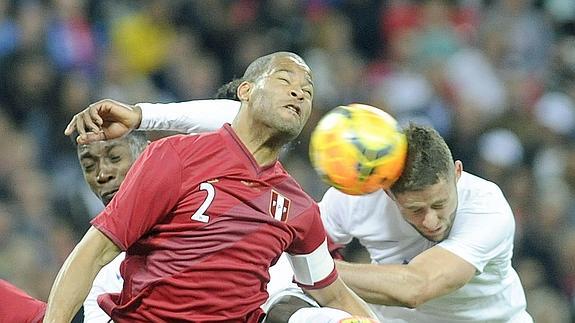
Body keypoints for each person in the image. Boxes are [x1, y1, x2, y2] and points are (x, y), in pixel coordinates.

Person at [66, 94, 533, 322]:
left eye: (438, 205)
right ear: (387, 191)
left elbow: (417, 287)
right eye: (416, 211)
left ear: (456, 173)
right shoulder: (355, 196)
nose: (431, 222)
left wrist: (308, 273)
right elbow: (238, 128)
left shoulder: (487, 206)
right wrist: (147, 115)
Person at [43, 52, 377, 322]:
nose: (298, 93)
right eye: (284, 79)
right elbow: (93, 253)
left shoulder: (298, 206)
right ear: (245, 91)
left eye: (307, 91)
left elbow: (331, 294)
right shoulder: (176, 157)